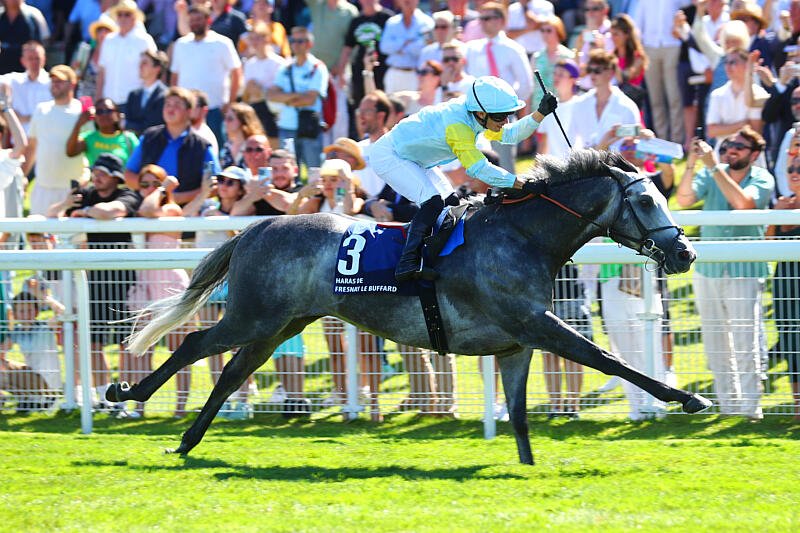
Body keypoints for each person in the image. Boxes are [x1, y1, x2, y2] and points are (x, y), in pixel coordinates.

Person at [369, 75, 556, 282]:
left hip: (415, 159)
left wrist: (540, 113)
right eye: (501, 116)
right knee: (433, 203)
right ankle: (407, 264)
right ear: (481, 114)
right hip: (390, 156)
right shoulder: (459, 126)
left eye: (508, 115)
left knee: (451, 204)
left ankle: (436, 259)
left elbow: (510, 135)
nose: (505, 121)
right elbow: (479, 168)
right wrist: (521, 184)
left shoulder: (478, 115)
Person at [676, 125, 775, 420]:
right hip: (708, 269)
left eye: (739, 147)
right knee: (715, 341)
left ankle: (751, 409)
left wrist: (713, 165)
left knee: (745, 340)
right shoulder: (710, 173)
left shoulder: (762, 177)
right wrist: (692, 163)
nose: (731, 150)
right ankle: (729, 407)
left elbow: (743, 204)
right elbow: (684, 199)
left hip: (746, 270)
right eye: (728, 145)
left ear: (754, 155)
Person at [45, 153, 142, 413]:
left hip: (123, 279)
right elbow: (51, 216)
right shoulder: (86, 194)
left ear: (116, 177)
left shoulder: (127, 194)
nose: (97, 177)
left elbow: (110, 211)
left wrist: (84, 212)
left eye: (103, 173)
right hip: (95, 280)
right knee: (94, 342)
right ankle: (104, 398)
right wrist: (67, 203)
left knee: (126, 344)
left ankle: (124, 400)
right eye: (95, 172)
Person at [124, 164, 190, 418]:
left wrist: (163, 190)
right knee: (142, 350)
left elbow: (149, 210)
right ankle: (138, 407)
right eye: (144, 184)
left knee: (178, 351)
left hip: (169, 285)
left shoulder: (171, 209)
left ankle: (180, 409)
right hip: (144, 286)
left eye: (155, 183)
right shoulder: (140, 212)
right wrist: (159, 189)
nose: (149, 188)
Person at [465, 2, 533, 172]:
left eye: (487, 18)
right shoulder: (471, 48)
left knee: (504, 167)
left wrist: (505, 106)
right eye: (481, 18)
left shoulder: (513, 48)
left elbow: (526, 84)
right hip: (475, 117)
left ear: (501, 21)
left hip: (501, 118)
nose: (482, 22)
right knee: (476, 166)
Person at [124, 86, 220, 205]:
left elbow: (214, 186)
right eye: (168, 104)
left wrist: (177, 198)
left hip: (185, 210)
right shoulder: (149, 137)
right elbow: (129, 175)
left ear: (189, 111)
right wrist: (151, 191)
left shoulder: (202, 146)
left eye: (177, 105)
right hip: (146, 206)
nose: (170, 108)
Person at [171, 3, 242, 145]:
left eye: (198, 19)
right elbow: (174, 76)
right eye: (192, 20)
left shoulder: (222, 43)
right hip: (186, 109)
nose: (195, 23)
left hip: (214, 109)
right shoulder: (181, 44)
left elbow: (236, 73)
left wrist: (230, 103)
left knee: (217, 146)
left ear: (208, 20)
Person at [23, 65, 84, 216]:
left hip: (71, 190)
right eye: (53, 81)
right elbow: (32, 147)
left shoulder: (82, 111)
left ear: (72, 84)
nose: (55, 84)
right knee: (38, 231)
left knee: (71, 232)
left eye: (60, 81)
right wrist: (23, 176)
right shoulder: (41, 109)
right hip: (43, 188)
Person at [267, 26, 329, 169]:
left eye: (300, 41)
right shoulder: (285, 67)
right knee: (286, 168)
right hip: (286, 125)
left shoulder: (317, 67)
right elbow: (271, 95)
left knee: (314, 169)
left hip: (309, 126)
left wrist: (285, 98)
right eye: (293, 41)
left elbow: (310, 99)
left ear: (309, 44)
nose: (295, 44)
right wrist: (297, 96)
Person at [767, 153, 800, 420]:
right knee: (790, 341)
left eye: (799, 169)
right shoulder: (783, 204)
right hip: (786, 282)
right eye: (790, 169)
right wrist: (777, 215)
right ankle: (798, 408)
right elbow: (767, 245)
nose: (794, 173)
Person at [0, 283, 65, 412]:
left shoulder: (45, 327)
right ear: (15, 314)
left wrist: (46, 298)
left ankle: (42, 399)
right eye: (21, 311)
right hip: (31, 376)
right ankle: (27, 399)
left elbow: (63, 312)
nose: (26, 315)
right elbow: (2, 349)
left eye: (29, 310)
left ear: (36, 311)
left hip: (46, 380)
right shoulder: (17, 331)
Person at [632, 0, 685, 144]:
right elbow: (637, 26)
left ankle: (677, 141)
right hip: (650, 48)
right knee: (656, 99)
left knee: (674, 97)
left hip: (672, 45)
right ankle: (661, 142)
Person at [96, 0, 156, 109]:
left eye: (127, 14)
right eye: (120, 14)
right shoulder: (108, 40)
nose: (123, 18)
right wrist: (98, 99)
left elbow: (154, 71)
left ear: (134, 17)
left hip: (134, 103)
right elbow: (102, 72)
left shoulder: (144, 40)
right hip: (108, 103)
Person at [241, 21, 288, 149]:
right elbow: (247, 95)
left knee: (274, 149)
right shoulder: (249, 64)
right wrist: (251, 90)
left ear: (267, 38)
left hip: (272, 114)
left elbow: (279, 92)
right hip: (255, 112)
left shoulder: (279, 63)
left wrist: (260, 91)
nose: (254, 42)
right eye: (252, 39)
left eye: (258, 38)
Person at [379, 0, 435, 94]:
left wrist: (398, 47)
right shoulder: (392, 22)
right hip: (394, 73)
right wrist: (406, 42)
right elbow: (384, 47)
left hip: (416, 75)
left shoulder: (427, 22)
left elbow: (424, 49)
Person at [66, 97, 139, 166]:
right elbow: (71, 152)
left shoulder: (129, 138)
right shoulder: (89, 137)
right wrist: (79, 124)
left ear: (118, 115)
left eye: (109, 111)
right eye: (99, 112)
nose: (104, 115)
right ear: (94, 116)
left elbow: (139, 162)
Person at [231, 145, 302, 216]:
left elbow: (288, 204)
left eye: (285, 168)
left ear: (295, 171)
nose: (279, 174)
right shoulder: (258, 195)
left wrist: (261, 190)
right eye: (274, 168)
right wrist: (252, 196)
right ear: (268, 170)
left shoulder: (302, 190)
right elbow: (235, 214)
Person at [0, 40, 51, 134]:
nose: (34, 62)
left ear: (44, 59)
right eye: (30, 58)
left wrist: (25, 118)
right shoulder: (14, 80)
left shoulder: (53, 82)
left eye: (37, 58)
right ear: (23, 61)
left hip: (44, 139)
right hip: (19, 140)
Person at [537, 58, 581, 158]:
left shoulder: (580, 104)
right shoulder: (548, 105)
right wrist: (537, 165)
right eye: (555, 73)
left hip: (576, 163)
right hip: (554, 165)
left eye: (561, 74)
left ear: (573, 79)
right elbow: (544, 142)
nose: (556, 77)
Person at [530, 15, 574, 106]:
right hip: (537, 106)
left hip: (560, 106)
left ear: (558, 31)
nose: (545, 34)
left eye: (549, 30)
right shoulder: (536, 56)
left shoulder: (568, 56)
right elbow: (531, 85)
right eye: (542, 30)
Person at [124, 50, 168, 136]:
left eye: (145, 63)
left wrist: (126, 124)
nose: (140, 66)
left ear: (157, 68)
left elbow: (153, 126)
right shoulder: (133, 95)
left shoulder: (166, 96)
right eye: (140, 63)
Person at [219, 103, 265, 168]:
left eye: (230, 119)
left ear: (243, 121)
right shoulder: (227, 146)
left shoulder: (256, 145)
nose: (225, 122)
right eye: (225, 118)